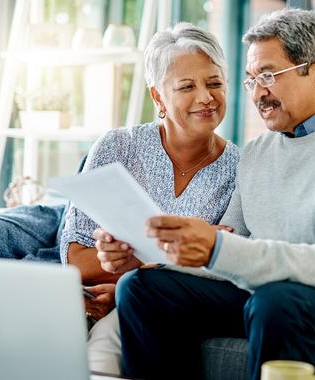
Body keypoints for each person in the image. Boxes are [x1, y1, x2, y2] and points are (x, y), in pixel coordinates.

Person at [97, 9, 315, 380]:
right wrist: (151, 253)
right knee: (143, 289)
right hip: (274, 295)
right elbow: (231, 241)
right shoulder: (258, 151)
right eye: (250, 81)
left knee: (277, 302)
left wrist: (218, 248)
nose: (258, 93)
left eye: (268, 76)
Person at [59, 23, 239, 375]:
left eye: (214, 83)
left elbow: (225, 267)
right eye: (187, 86)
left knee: (107, 348)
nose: (205, 97)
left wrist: (131, 277)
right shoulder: (117, 148)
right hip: (97, 302)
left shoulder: (241, 169)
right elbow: (76, 260)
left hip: (164, 307)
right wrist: (131, 270)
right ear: (158, 97)